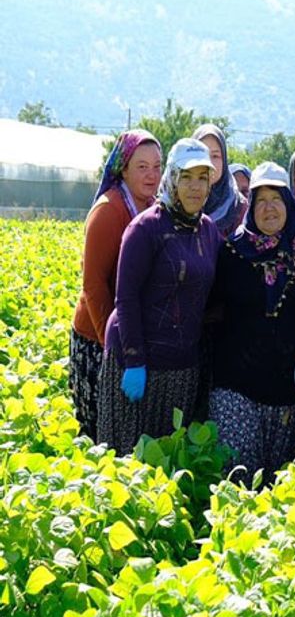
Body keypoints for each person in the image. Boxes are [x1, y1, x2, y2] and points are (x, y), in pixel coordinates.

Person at [97, 138, 220, 453]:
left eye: (203, 178)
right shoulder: (146, 228)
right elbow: (126, 299)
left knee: (168, 459)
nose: (195, 187)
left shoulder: (208, 231)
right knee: (127, 460)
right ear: (173, 179)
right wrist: (135, 361)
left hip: (182, 367)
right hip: (138, 364)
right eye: (187, 177)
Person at [208, 162, 295, 480]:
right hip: (236, 389)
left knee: (280, 490)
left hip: (288, 392)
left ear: (288, 205)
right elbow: (210, 311)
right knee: (239, 484)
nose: (268, 208)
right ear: (250, 207)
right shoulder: (232, 252)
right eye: (260, 200)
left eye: (276, 199)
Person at [70, 129, 163, 439]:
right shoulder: (110, 211)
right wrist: (113, 348)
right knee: (100, 429)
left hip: (131, 338)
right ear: (123, 168)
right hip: (98, 338)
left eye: (157, 166)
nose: (152, 175)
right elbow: (93, 286)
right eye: (142, 166)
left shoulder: (153, 208)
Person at [192, 124, 247, 238]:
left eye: (215, 156)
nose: (209, 163)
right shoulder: (176, 203)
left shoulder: (239, 207)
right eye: (202, 154)